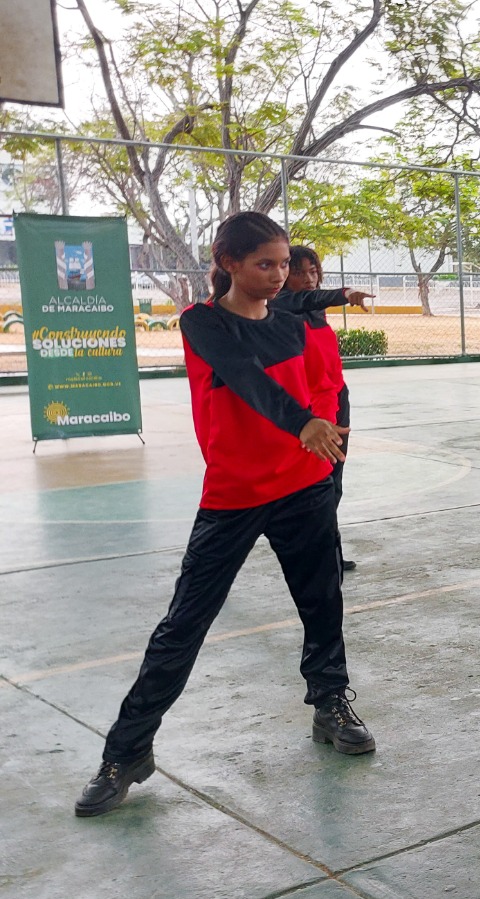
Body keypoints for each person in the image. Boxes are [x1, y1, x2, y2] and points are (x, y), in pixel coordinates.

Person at [74, 212, 375, 818]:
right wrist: (302, 422)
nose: (278, 275)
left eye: (284, 264)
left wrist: (322, 419)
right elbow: (242, 377)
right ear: (228, 262)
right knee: (183, 624)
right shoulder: (202, 322)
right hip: (234, 494)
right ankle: (126, 752)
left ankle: (330, 703)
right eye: (265, 264)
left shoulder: (292, 319)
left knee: (321, 601)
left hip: (304, 486)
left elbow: (320, 372)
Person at [272, 245, 374, 572]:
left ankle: (330, 554)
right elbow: (309, 299)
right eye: (298, 272)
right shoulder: (282, 304)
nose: (308, 278)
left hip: (336, 400)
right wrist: (345, 294)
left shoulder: (316, 311)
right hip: (309, 410)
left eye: (313, 271)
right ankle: (317, 556)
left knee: (333, 483)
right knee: (313, 488)